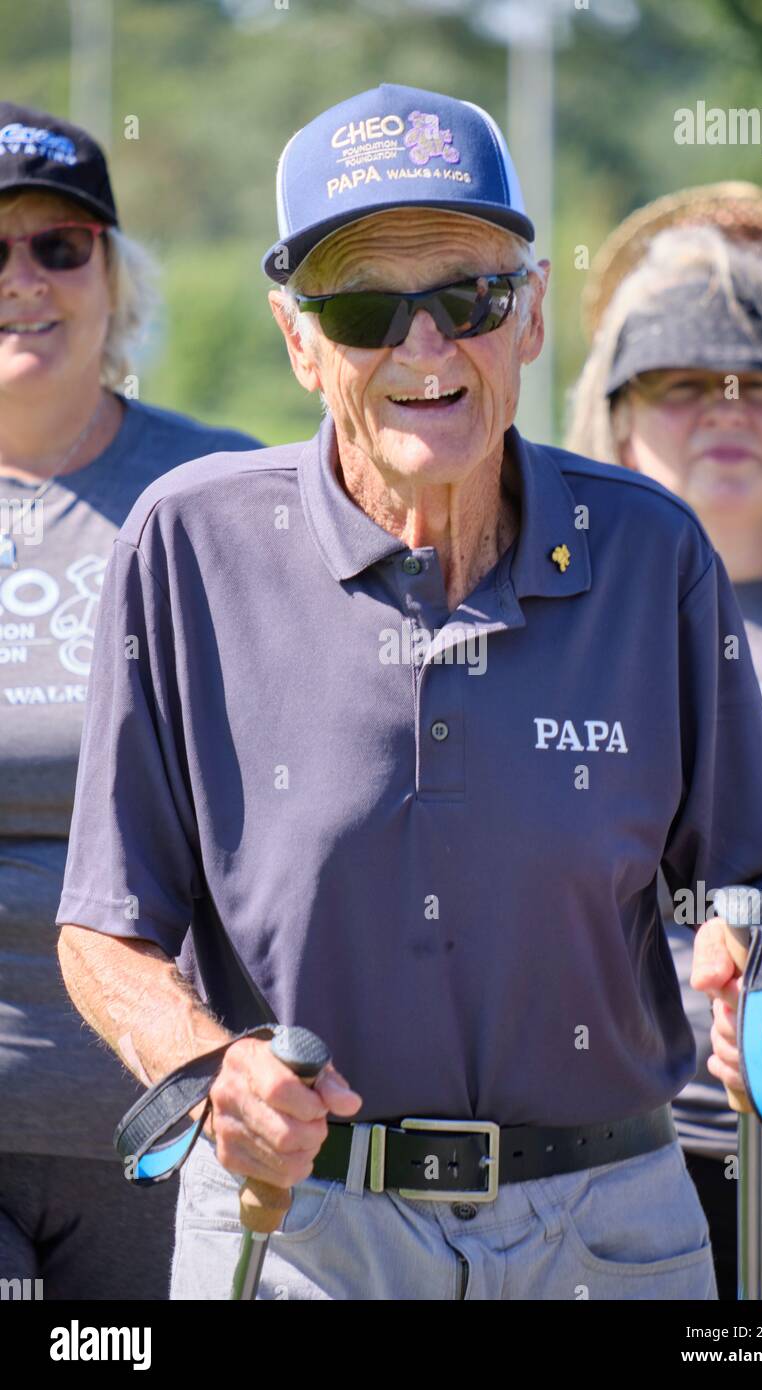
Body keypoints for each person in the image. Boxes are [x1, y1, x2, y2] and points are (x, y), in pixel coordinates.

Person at [55, 85, 762, 1302]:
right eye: (366, 308)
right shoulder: (189, 545)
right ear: (297, 338)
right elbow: (105, 929)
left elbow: (741, 880)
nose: (424, 350)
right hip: (300, 1230)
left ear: (525, 317)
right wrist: (208, 1068)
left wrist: (758, 947)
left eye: (466, 297)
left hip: (610, 1226)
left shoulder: (652, 550)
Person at [567, 196, 762, 1300]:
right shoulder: (555, 622)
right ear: (615, 411)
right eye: (681, 382)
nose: (723, 409)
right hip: (617, 1175)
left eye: (759, 380)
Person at [0, 102, 261, 1300]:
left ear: (115, 277)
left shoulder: (221, 493)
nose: (27, 278)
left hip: (172, 1112)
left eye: (62, 244)